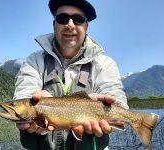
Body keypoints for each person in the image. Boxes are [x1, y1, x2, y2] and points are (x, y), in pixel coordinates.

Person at [14, 0, 128, 149]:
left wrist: (99, 106)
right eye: (62, 19)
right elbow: (23, 95)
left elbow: (117, 100)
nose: (70, 25)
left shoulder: (104, 64)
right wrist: (33, 105)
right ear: (54, 24)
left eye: (78, 19)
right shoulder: (33, 61)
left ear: (86, 26)